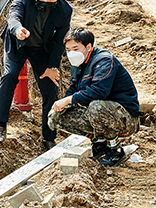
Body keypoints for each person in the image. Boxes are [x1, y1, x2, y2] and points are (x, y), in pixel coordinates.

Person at [0, 0, 74, 149]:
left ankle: (48, 136)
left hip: (41, 49)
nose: (46, 1)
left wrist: (53, 66)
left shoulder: (65, 10)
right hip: (18, 44)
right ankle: (0, 127)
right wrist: (17, 30)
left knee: (51, 87)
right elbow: (13, 17)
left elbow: (59, 41)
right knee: (10, 76)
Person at [49, 28, 141, 166]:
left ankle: (115, 149)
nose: (71, 53)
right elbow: (74, 88)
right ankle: (99, 142)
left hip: (125, 118)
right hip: (102, 116)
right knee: (57, 116)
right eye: (68, 50)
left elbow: (99, 92)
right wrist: (63, 105)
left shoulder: (103, 60)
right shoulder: (77, 63)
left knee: (96, 107)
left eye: (75, 48)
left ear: (89, 47)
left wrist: (68, 100)